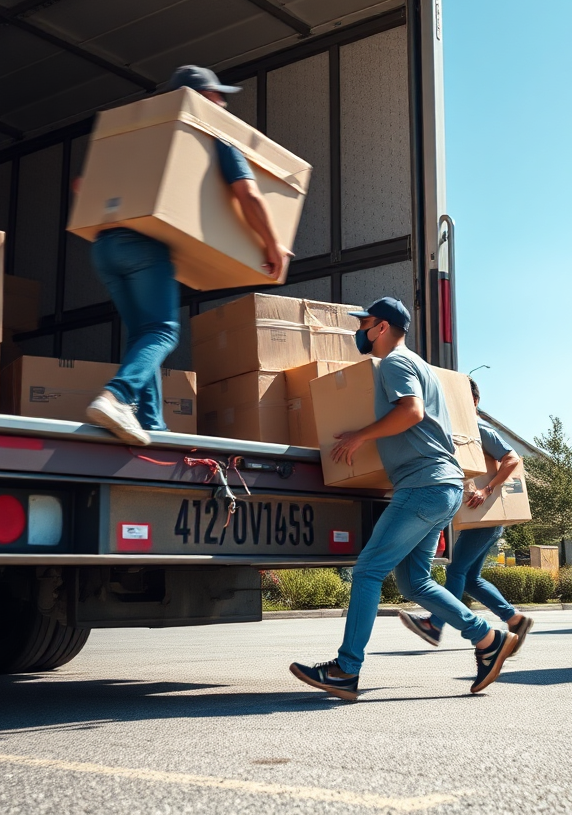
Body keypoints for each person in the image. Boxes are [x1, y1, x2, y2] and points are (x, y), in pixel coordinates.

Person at [289, 298, 518, 701]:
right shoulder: (421, 366)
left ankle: (346, 669)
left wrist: (361, 435)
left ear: (381, 328)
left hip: (424, 486)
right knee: (414, 581)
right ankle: (487, 639)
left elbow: (410, 413)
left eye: (365, 324)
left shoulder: (395, 362)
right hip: (441, 487)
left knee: (367, 571)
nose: (360, 331)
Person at [84, 65, 292, 446]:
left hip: (104, 245)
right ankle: (116, 396)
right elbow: (247, 194)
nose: (224, 103)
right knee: (162, 331)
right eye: (218, 96)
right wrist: (272, 244)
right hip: (145, 245)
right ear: (202, 99)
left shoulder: (141, 134)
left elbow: (83, 185)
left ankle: (151, 425)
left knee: (142, 335)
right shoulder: (212, 131)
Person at [398, 378, 535, 652]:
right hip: (478, 517)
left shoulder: (479, 429)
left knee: (456, 569)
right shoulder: (462, 432)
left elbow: (512, 459)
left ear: (473, 401)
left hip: (484, 516)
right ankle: (514, 619)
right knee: (470, 578)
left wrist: (486, 489)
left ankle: (435, 624)